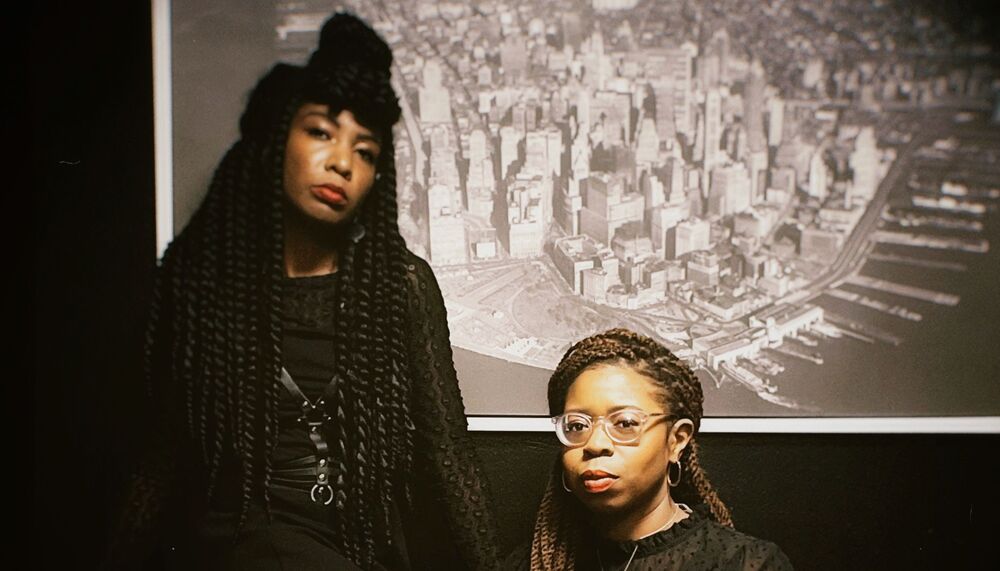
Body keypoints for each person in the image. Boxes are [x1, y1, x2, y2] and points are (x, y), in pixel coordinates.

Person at [106, 12, 500, 571]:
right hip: (245, 544)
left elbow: (449, 455)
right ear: (276, 139)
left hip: (364, 548)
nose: (341, 163)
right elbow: (165, 454)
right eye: (321, 132)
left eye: (365, 152)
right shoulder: (206, 285)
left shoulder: (399, 286)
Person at [506, 328, 792, 570]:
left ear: (677, 440)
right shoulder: (533, 563)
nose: (595, 444)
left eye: (626, 423)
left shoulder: (746, 564)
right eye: (578, 426)